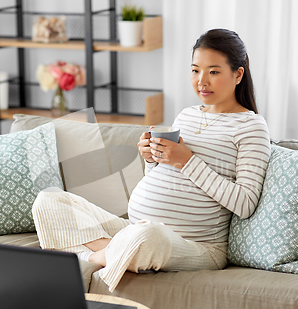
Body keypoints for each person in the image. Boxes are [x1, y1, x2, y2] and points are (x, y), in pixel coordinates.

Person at [32, 28, 271, 292]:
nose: (202, 81)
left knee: (149, 235)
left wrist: (186, 161)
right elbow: (161, 178)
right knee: (49, 201)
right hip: (133, 228)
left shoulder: (251, 127)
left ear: (238, 74)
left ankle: (93, 256)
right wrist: (151, 159)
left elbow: (246, 203)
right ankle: (117, 251)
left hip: (196, 246)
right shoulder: (186, 115)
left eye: (213, 72)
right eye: (195, 70)